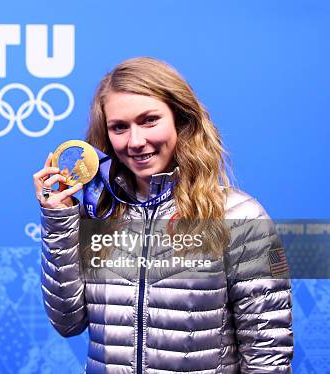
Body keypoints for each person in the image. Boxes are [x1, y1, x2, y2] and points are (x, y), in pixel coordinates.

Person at [32, 57, 293, 373]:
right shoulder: (98, 212)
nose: (136, 141)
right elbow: (67, 321)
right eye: (119, 127)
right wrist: (59, 221)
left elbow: (268, 354)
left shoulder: (239, 216)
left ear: (180, 120)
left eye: (149, 120)